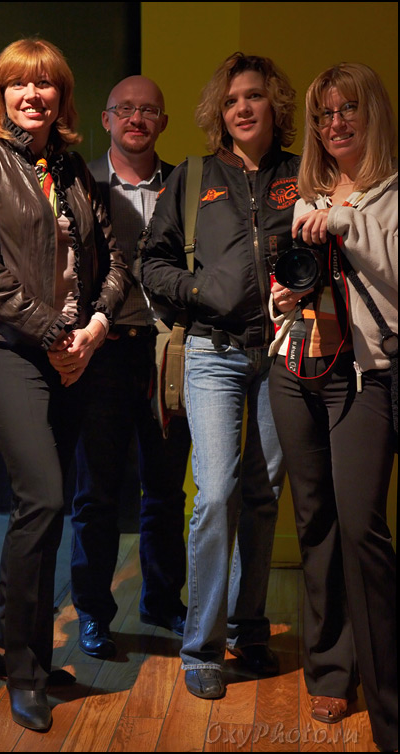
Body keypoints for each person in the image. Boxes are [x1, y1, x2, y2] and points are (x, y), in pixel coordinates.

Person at [0, 38, 130, 732]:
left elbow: (114, 261)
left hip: (74, 352)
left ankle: (5, 642)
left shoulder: (72, 167)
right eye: (19, 84)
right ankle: (26, 670)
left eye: (46, 84)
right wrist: (55, 335)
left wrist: (96, 328)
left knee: (42, 511)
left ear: (62, 97)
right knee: (46, 498)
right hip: (9, 349)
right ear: (1, 94)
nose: (33, 95)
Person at [141, 52, 300, 699]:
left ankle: (247, 626)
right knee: (214, 495)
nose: (242, 107)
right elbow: (152, 263)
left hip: (283, 351)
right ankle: (201, 648)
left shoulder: (301, 175)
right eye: (231, 99)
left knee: (263, 494)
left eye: (253, 96)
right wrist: (200, 288)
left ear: (273, 104)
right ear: (218, 111)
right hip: (212, 352)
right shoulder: (193, 177)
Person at [268, 63, 397, 752]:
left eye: (347, 109)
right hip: (299, 364)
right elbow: (298, 281)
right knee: (314, 519)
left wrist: (342, 221)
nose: (334, 123)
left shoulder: (391, 191)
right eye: (323, 114)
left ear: (372, 112)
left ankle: (385, 698)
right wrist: (282, 297)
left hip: (363, 375)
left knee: (359, 527)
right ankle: (330, 669)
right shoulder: (307, 194)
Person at [71, 75, 190, 660]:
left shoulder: (187, 186)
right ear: (106, 119)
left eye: (148, 110)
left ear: (162, 121)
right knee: (95, 493)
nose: (136, 118)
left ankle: (162, 601)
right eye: (125, 109)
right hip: (105, 352)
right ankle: (93, 612)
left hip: (170, 350)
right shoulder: (81, 184)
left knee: (166, 487)